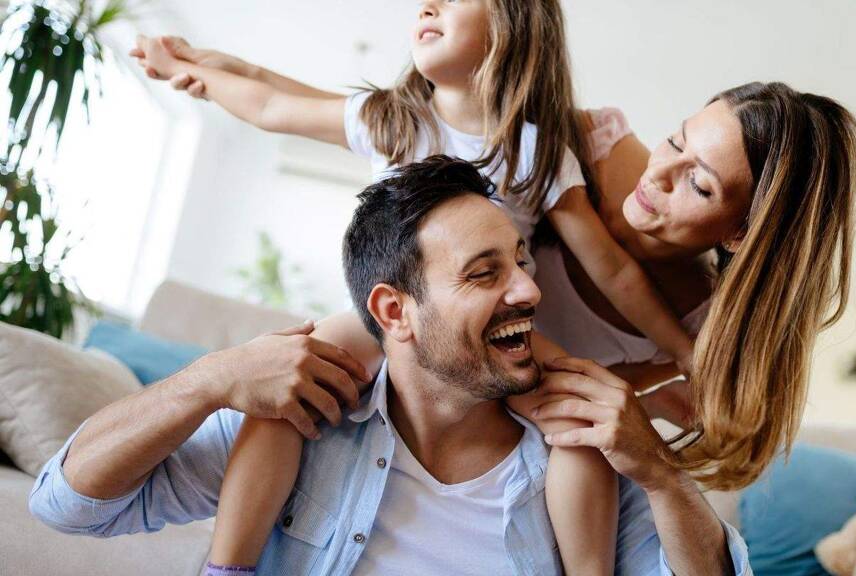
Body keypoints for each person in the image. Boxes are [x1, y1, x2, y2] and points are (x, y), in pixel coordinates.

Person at [130, 1, 693, 571]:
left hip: (481, 335)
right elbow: (271, 104)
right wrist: (197, 73)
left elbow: (611, 269)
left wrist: (684, 351)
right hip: (378, 321)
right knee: (290, 386)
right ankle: (228, 564)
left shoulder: (534, 151)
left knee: (579, 418)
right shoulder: (394, 119)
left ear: (511, 27)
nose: (428, 5)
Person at [29, 156, 751, 576]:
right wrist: (209, 379)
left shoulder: (580, 456)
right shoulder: (309, 423)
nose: (530, 292)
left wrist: (661, 473)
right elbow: (66, 504)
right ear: (394, 311)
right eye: (484, 273)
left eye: (522, 263)